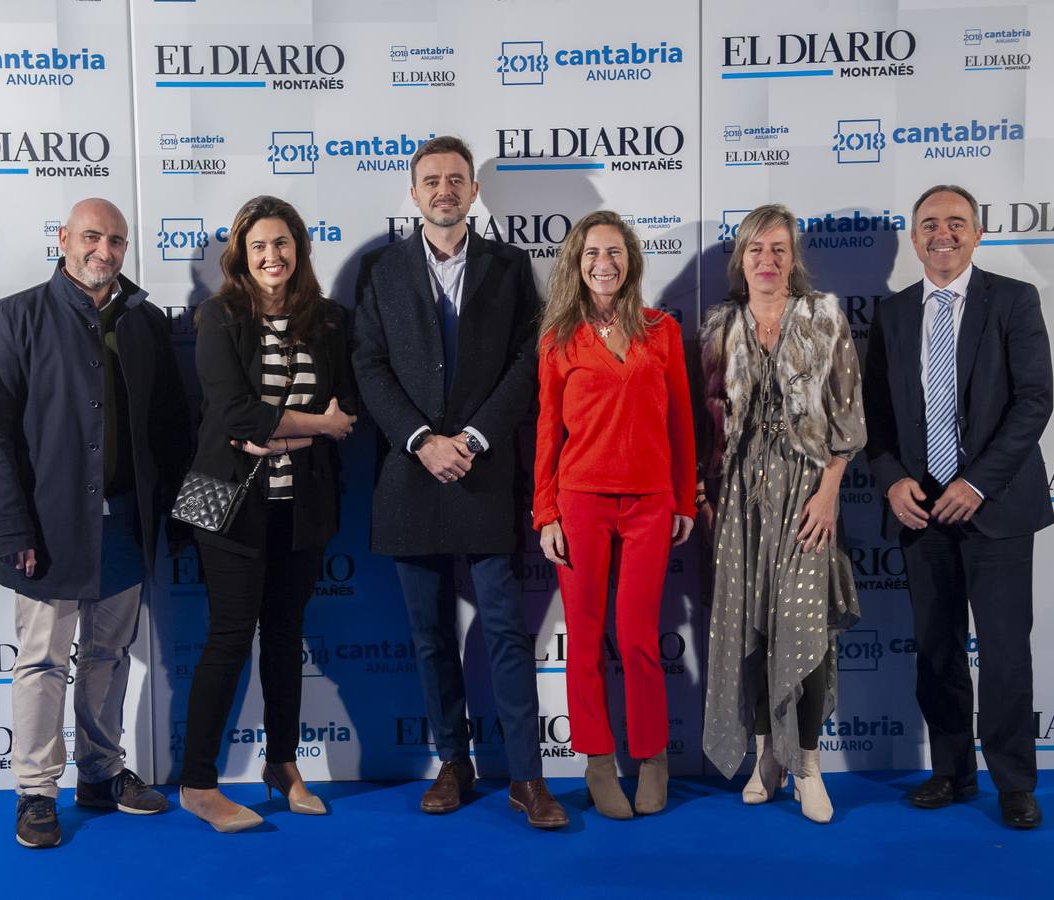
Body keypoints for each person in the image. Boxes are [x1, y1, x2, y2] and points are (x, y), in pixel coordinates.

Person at [352, 135, 567, 829]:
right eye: (431, 180)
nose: (444, 190)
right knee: (429, 633)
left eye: (455, 179)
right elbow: (369, 367)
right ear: (413, 194)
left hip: (483, 472)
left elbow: (526, 364)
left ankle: (527, 778)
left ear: (474, 192)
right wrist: (421, 441)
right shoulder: (380, 270)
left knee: (505, 631)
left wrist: (471, 439)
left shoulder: (509, 268)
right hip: (411, 477)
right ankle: (453, 760)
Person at [0, 198, 192, 849]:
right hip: (46, 528)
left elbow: (170, 429)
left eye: (117, 241)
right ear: (63, 239)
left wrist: (174, 522)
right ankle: (37, 792)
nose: (105, 250)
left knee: (107, 654)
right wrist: (12, 534)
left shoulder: (146, 322)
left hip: (126, 522)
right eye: (92, 236)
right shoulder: (14, 316)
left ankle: (100, 772)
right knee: (42, 660)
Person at [863, 185, 1052, 830]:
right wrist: (890, 480)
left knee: (1003, 653)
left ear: (977, 233)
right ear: (913, 238)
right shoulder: (892, 315)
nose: (941, 234)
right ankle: (951, 770)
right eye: (928, 225)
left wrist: (976, 482)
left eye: (956, 223)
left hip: (995, 506)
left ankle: (1014, 782)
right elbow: (875, 418)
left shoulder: (1014, 300)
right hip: (921, 512)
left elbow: (1034, 401)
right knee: (936, 649)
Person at [177, 196, 358, 832]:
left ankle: (282, 763)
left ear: (300, 251)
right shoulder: (218, 315)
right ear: (241, 256)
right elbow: (231, 415)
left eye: (281, 244)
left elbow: (348, 413)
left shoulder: (332, 321)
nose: (271, 256)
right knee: (229, 637)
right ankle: (198, 784)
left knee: (285, 637)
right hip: (218, 496)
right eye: (258, 247)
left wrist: (285, 433)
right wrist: (315, 424)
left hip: (302, 502)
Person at [700, 203, 865, 824]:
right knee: (751, 626)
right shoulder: (719, 326)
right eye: (755, 250)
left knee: (805, 628)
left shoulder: (824, 318)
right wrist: (707, 494)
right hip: (741, 493)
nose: (767, 261)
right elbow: (708, 425)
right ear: (741, 261)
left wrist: (828, 494)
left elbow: (847, 419)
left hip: (807, 491)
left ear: (793, 259)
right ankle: (766, 755)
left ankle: (810, 765)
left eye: (778, 250)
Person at [534, 211, 696, 819]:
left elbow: (682, 421)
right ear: (576, 264)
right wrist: (545, 510)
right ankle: (598, 761)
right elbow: (548, 431)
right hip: (579, 502)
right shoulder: (558, 338)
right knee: (584, 641)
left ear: (631, 261)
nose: (604, 263)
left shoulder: (662, 331)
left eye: (615, 253)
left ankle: (652, 757)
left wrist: (683, 497)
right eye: (592, 253)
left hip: (651, 502)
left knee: (636, 637)